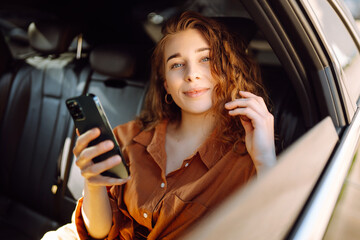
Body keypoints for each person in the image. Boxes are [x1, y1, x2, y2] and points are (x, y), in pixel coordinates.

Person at [43, 10, 276, 240]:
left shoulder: (248, 160)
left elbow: (275, 230)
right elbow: (98, 232)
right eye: (176, 65)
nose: (192, 74)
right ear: (166, 84)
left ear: (228, 70)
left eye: (206, 59)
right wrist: (93, 183)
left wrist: (265, 159)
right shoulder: (128, 136)